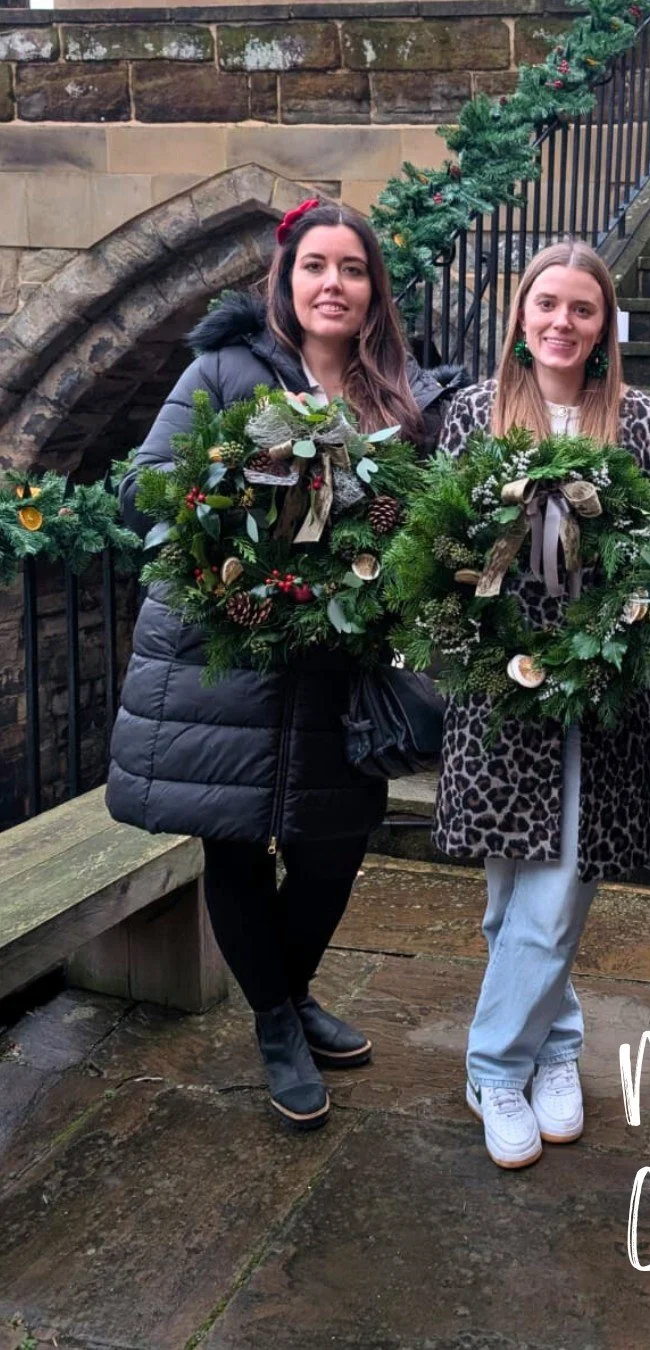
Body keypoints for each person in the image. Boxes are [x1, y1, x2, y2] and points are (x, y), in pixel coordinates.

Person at [107, 200, 461, 1131]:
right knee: (234, 844)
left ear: (374, 289)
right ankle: (276, 1023)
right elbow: (149, 487)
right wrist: (227, 554)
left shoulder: (399, 392)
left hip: (340, 665)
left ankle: (289, 992)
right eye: (315, 267)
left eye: (352, 269)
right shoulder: (222, 370)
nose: (332, 285)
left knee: (331, 851)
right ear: (286, 279)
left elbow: (421, 527)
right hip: (224, 658)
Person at [434, 240, 650, 1169]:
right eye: (548, 304)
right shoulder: (474, 414)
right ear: (522, 316)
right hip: (504, 693)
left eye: (583, 308)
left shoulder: (644, 422)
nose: (563, 322)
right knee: (513, 901)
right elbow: (445, 551)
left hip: (605, 690)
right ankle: (559, 1048)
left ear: (605, 324)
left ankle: (495, 1066)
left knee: (560, 888)